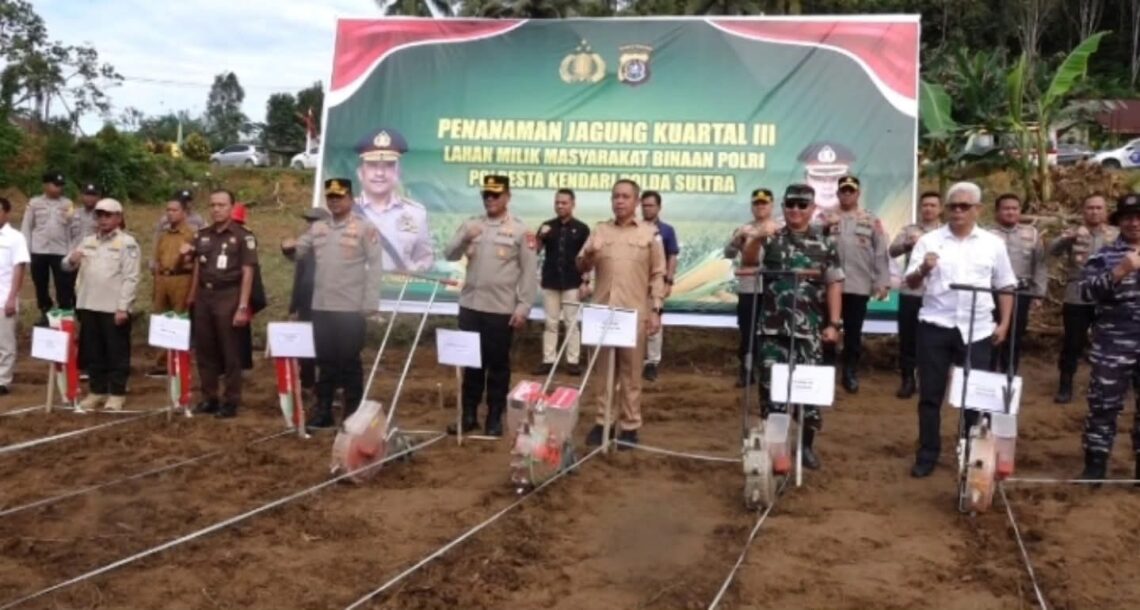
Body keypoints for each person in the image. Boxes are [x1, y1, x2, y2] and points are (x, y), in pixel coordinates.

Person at [904, 181, 1015, 478]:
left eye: (964, 206)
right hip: (936, 326)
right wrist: (924, 269)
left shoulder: (993, 244)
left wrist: (1003, 324)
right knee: (930, 395)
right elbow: (910, 283)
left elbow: (1005, 285)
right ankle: (927, 453)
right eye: (952, 206)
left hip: (977, 329)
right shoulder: (929, 241)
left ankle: (970, 453)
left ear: (978, 209)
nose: (957, 212)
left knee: (975, 398)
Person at [283, 178, 383, 430]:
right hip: (321, 306)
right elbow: (298, 252)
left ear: (351, 199)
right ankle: (323, 410)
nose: (335, 201)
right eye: (331, 198)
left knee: (349, 362)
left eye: (340, 197)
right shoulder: (318, 229)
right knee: (324, 362)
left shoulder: (364, 228)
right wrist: (287, 247)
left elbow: (375, 267)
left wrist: (370, 301)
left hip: (350, 308)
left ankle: (352, 413)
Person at [443, 175, 538, 436]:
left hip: (500, 310)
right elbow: (449, 254)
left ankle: (494, 417)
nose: (490, 199)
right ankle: (469, 415)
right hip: (471, 307)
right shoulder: (472, 224)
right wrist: (464, 238)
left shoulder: (521, 230)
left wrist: (523, 308)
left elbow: (530, 274)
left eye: (496, 195)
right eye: (486, 195)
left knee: (497, 367)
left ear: (507, 197)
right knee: (470, 365)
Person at [757, 184, 843, 469]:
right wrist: (755, 239)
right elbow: (744, 260)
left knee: (809, 391)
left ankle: (805, 447)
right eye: (790, 204)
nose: (796, 210)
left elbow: (834, 284)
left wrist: (834, 323)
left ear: (813, 209)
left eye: (802, 205)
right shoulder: (771, 239)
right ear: (783, 207)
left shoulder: (824, 243)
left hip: (810, 330)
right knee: (772, 392)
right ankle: (776, 451)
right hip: (772, 329)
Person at [578, 179, 666, 448]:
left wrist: (656, 310)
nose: (619, 201)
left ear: (637, 202)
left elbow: (658, 274)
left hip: (633, 315)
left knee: (631, 374)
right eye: (615, 196)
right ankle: (604, 421)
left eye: (626, 197)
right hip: (603, 314)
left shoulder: (650, 234)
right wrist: (590, 253)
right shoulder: (599, 231)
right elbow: (581, 265)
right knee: (603, 373)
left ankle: (629, 426)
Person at [1076, 193, 1140, 481]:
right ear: (1119, 222)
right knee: (1103, 405)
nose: (1134, 223)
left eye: (1139, 217)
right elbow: (1086, 293)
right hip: (1113, 343)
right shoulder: (1104, 255)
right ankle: (1095, 466)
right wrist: (1120, 270)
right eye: (1128, 218)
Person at [62, 199, 141, 411]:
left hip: (113, 307)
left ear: (118, 217)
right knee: (93, 352)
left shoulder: (127, 243)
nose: (103, 219)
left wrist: (123, 307)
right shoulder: (88, 241)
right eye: (99, 215)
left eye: (108, 215)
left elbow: (131, 278)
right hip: (88, 304)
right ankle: (97, 391)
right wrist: (72, 260)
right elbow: (65, 265)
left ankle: (116, 393)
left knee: (116, 352)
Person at [186, 189, 258, 419]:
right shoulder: (202, 234)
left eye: (222, 205)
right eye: (213, 205)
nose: (216, 209)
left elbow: (248, 272)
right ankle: (209, 397)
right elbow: (194, 263)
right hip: (205, 296)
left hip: (230, 295)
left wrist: (243, 306)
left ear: (231, 207)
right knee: (205, 350)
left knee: (230, 351)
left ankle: (231, 400)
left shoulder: (242, 236)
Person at [820, 174, 890, 393]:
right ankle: (826, 371)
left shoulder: (871, 220)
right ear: (838, 193)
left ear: (858, 194)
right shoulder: (825, 217)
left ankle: (849, 372)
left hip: (858, 284)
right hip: (830, 285)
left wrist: (882, 281)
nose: (847, 194)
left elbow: (880, 252)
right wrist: (823, 228)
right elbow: (812, 243)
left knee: (853, 332)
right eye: (844, 190)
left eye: (851, 190)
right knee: (828, 329)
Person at [1048, 193, 1116, 404]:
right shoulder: (1073, 233)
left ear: (1106, 211)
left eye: (1099, 208)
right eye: (1090, 208)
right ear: (1083, 211)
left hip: (1108, 295)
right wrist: (1065, 238)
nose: (1094, 212)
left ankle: (1105, 386)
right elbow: (1051, 251)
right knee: (1072, 343)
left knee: (1108, 343)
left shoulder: (1116, 235)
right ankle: (1065, 385)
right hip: (1077, 295)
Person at [352, 127, 435, 272]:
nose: (380, 173)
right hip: (356, 292)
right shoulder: (345, 212)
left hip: (399, 293)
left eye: (388, 166)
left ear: (397, 172)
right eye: (372, 165)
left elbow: (424, 258)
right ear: (360, 173)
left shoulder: (416, 214)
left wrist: (414, 271)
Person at [724, 187, 780, 387]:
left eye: (764, 203)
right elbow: (729, 253)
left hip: (774, 289)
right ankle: (746, 369)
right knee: (747, 331)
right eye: (756, 203)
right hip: (749, 288)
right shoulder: (744, 228)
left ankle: (770, 370)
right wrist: (736, 239)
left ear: (772, 205)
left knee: (771, 332)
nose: (760, 207)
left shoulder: (780, 228)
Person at [889, 191, 943, 398]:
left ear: (940, 209)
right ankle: (907, 380)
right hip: (911, 291)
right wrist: (908, 244)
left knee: (933, 339)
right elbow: (892, 251)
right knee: (908, 338)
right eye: (925, 205)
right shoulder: (910, 230)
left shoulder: (947, 233)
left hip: (937, 294)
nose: (928, 209)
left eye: (933, 205)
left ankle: (929, 380)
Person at [533, 188, 590, 376]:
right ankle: (548, 360)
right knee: (550, 322)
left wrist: (585, 282)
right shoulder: (546, 226)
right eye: (557, 202)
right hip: (550, 282)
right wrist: (540, 237)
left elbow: (587, 258)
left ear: (573, 204)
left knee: (571, 322)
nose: (560, 206)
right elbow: (535, 250)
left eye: (564, 203)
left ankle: (572, 361)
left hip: (573, 282)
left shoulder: (582, 228)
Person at [988, 193, 1046, 374]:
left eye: (1014, 208)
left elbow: (1040, 264)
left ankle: (1009, 374)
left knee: (1015, 335)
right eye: (1006, 208)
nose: (1011, 212)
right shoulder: (987, 235)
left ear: (1020, 211)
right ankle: (988, 375)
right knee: (991, 334)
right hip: (991, 293)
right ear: (997, 212)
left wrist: (1039, 292)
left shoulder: (1032, 233)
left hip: (1022, 292)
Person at [147, 195, 197, 377]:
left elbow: (196, 262)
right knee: (161, 320)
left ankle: (179, 360)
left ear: (184, 212)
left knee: (179, 319)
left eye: (175, 210)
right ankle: (161, 362)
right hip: (163, 279)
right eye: (168, 210)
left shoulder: (191, 234)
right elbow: (157, 259)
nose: (170, 214)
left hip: (182, 279)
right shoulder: (164, 235)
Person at [285, 206, 331, 396]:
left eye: (315, 222)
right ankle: (307, 383)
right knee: (306, 343)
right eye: (309, 222)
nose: (311, 226)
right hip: (306, 302)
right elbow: (299, 277)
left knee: (327, 345)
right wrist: (293, 306)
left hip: (328, 304)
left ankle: (329, 384)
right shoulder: (303, 248)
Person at [21, 172, 76, 325]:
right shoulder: (34, 203)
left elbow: (72, 229)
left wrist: (71, 251)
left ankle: (65, 314)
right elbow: (27, 227)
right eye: (55, 185)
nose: (58, 189)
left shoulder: (67, 204)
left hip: (61, 251)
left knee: (64, 285)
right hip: (39, 250)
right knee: (40, 284)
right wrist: (25, 251)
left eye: (61, 186)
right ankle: (45, 312)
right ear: (45, 185)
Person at [639, 190, 679, 382]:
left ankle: (652, 363)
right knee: (635, 323)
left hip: (656, 284)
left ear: (659, 207)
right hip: (635, 284)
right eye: (644, 205)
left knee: (654, 323)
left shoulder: (667, 230)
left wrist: (668, 281)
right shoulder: (635, 228)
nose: (647, 209)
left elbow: (672, 256)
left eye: (651, 205)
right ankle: (635, 360)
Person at [230, 202, 268, 372]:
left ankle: (243, 362)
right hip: (232, 286)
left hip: (242, 285)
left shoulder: (246, 237)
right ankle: (239, 362)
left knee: (241, 326)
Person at [0, 197, 30, 395]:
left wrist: (12, 297)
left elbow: (19, 268)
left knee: (5, 343)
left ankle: (3, 379)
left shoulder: (15, 237)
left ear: (7, 213)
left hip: (3, 297)